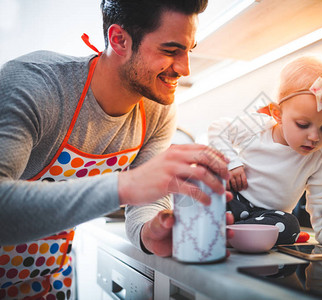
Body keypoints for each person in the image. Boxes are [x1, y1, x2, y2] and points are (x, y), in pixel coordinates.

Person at [0, 1, 232, 299]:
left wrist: (153, 233)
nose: (185, 68)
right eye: (170, 51)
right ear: (119, 39)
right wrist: (126, 185)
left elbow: (146, 206)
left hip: (45, 279)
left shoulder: (157, 111)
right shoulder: (34, 84)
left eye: (189, 50)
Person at [208, 54, 322, 245]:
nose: (314, 137)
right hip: (233, 199)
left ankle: (224, 235)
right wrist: (230, 162)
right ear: (277, 114)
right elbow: (217, 128)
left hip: (269, 216)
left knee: (289, 225)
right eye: (303, 124)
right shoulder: (259, 125)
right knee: (205, 184)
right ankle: (227, 233)